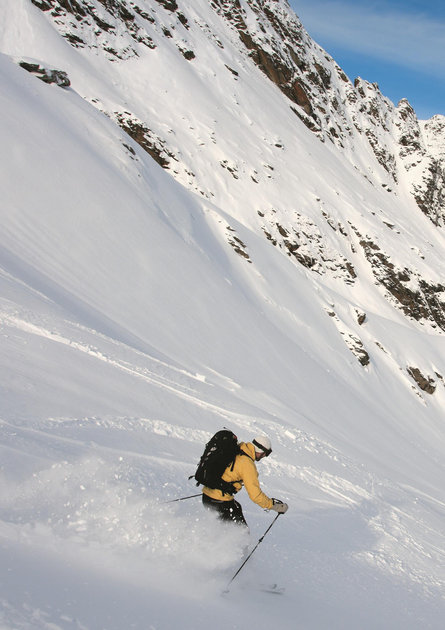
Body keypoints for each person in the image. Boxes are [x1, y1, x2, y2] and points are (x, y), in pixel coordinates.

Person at [202, 434, 288, 526]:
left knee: (234, 512)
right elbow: (255, 495)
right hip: (220, 501)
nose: (264, 456)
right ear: (261, 451)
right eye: (265, 454)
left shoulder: (239, 448)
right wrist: (274, 506)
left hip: (208, 495)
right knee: (240, 531)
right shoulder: (247, 464)